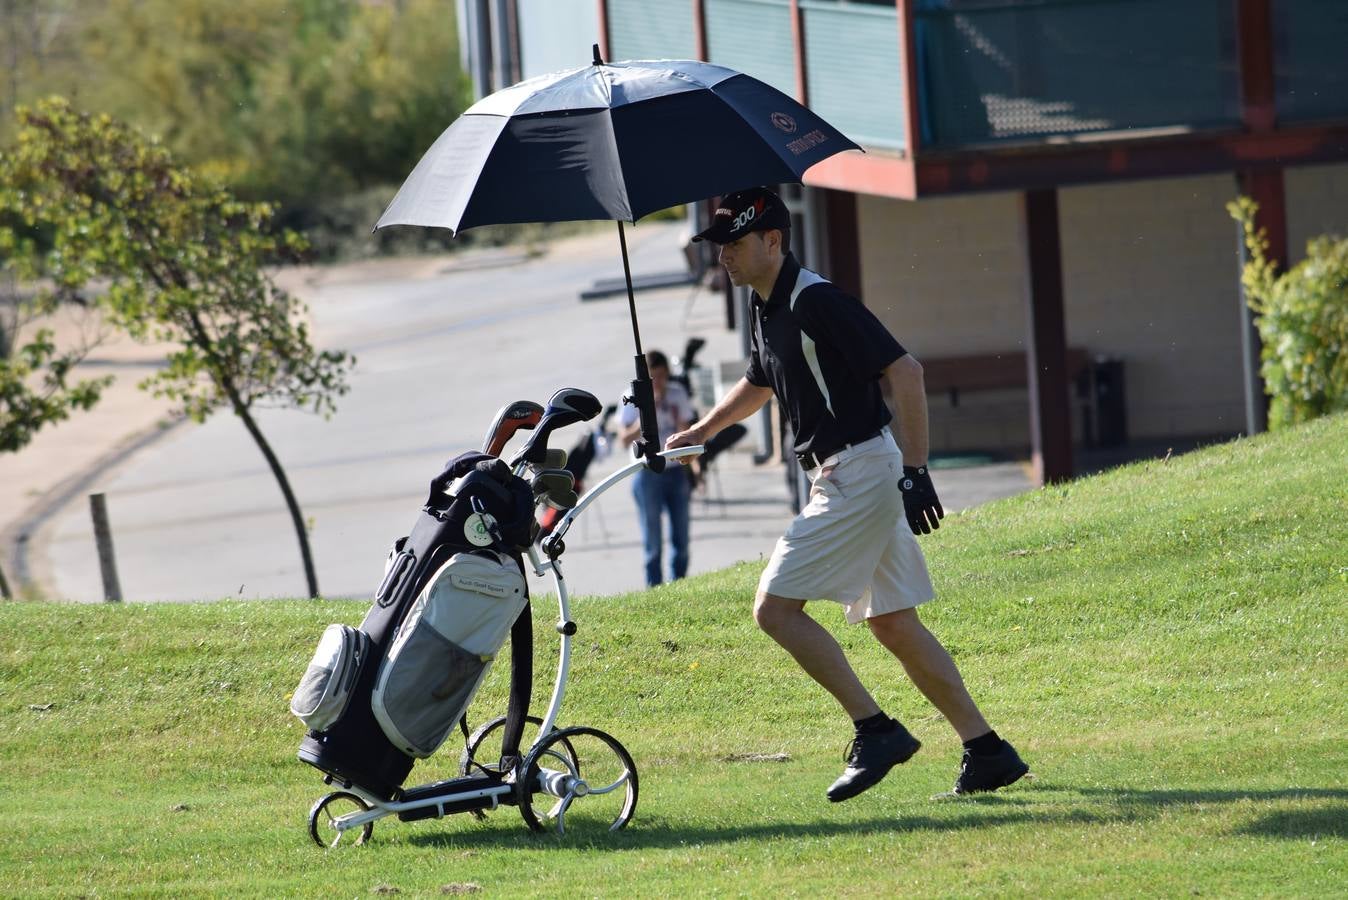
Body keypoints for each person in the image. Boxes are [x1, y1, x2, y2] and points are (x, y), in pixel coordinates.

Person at [665, 187, 1029, 801]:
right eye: (717, 244)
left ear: (773, 241)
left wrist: (917, 470)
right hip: (852, 470)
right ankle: (987, 750)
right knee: (893, 623)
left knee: (774, 610)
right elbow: (762, 380)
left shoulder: (818, 301)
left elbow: (905, 371)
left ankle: (876, 730)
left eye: (733, 243)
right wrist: (701, 432)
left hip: (857, 473)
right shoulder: (764, 304)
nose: (721, 254)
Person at [618, 350, 696, 587]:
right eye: (654, 377)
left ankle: (678, 584)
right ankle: (654, 587)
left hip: (674, 471)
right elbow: (623, 438)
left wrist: (696, 469)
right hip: (646, 473)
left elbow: (686, 431)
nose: (659, 382)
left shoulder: (677, 394)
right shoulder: (632, 396)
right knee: (652, 539)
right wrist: (646, 412)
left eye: (662, 376)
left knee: (680, 538)